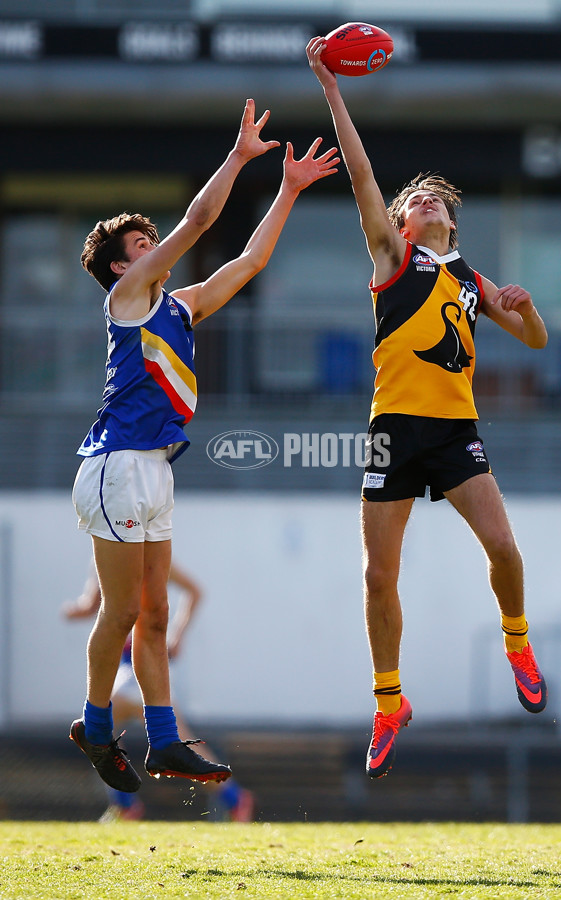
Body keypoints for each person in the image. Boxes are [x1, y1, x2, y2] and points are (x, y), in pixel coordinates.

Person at [71, 96, 339, 794]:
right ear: (119, 267)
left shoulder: (179, 305)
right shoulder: (126, 296)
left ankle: (164, 741)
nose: (150, 245)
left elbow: (247, 262)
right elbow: (199, 221)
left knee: (154, 614)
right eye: (139, 243)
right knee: (123, 612)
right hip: (117, 463)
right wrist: (241, 156)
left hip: (154, 468)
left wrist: (285, 189)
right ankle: (96, 723)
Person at [306, 40, 549, 780]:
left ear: (451, 224)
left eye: (435, 199)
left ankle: (516, 639)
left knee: (504, 551)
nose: (426, 201)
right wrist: (331, 86)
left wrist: (526, 310)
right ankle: (389, 702)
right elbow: (361, 175)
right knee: (379, 578)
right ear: (401, 226)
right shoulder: (392, 260)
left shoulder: (470, 277)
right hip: (389, 434)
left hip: (454, 433)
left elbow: (535, 342)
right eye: (414, 200)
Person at [63, 561, 255, 822]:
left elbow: (194, 591)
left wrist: (178, 634)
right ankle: (232, 798)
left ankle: (128, 805)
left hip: (146, 663)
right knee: (99, 737)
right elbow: (93, 604)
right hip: (126, 664)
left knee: (98, 735)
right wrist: (78, 611)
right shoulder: (106, 552)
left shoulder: (150, 551)